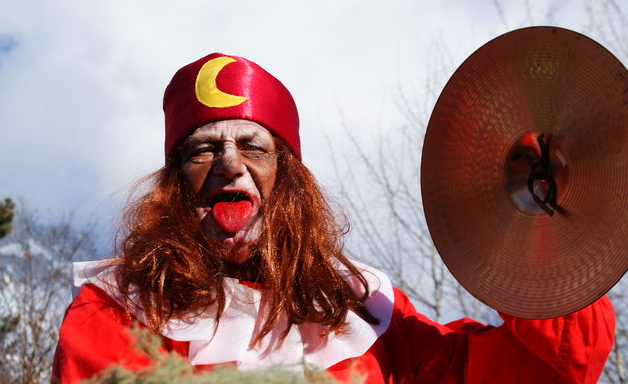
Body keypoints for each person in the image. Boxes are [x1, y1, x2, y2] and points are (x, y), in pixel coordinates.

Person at [52, 53, 615, 383]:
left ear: (289, 181)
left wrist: (532, 227)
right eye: (202, 150)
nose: (228, 162)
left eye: (252, 145)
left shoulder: (364, 304)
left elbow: (551, 367)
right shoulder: (118, 304)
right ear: (176, 186)